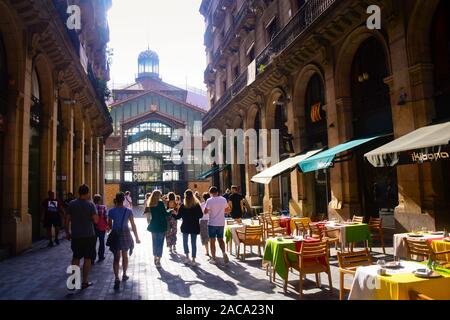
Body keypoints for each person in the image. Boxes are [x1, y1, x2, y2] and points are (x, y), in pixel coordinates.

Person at [65, 184, 98, 290]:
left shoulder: (72, 204)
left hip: (76, 235)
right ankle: (84, 282)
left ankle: (73, 281)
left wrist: (67, 232)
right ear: (87, 193)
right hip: (89, 235)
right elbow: (96, 220)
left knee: (76, 257)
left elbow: (67, 219)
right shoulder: (90, 205)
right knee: (87, 258)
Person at [107, 192, 141, 290]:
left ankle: (116, 277)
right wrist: (137, 237)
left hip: (116, 234)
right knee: (125, 254)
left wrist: (109, 228)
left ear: (116, 200)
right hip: (126, 233)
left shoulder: (111, 211)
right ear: (123, 200)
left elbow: (109, 225)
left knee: (116, 257)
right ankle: (124, 274)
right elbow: (133, 225)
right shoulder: (128, 211)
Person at [174, 189, 204, 266]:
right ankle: (193, 259)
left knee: (185, 242)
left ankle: (187, 257)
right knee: (193, 243)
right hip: (194, 226)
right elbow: (201, 215)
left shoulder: (183, 206)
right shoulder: (196, 205)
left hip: (185, 226)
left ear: (185, 196)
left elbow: (178, 217)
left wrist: (173, 213)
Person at [147, 190, 173, 268]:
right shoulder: (161, 203)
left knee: (154, 242)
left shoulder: (151, 204)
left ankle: (155, 256)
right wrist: (171, 210)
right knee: (160, 242)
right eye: (160, 195)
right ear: (158, 196)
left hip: (154, 225)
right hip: (161, 226)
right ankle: (158, 260)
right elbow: (165, 214)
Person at [204, 186, 230, 265]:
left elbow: (205, 212)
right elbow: (227, 210)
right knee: (220, 239)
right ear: (217, 192)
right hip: (221, 222)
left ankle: (214, 258)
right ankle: (224, 252)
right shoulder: (223, 199)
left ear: (210, 193)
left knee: (212, 241)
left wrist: (211, 211)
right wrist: (221, 211)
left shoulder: (209, 200)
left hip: (212, 223)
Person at [93, 194, 108, 262]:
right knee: (101, 242)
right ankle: (101, 256)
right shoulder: (103, 207)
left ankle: (92, 258)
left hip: (93, 227)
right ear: (99, 200)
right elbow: (105, 217)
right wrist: (107, 226)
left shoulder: (91, 207)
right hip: (101, 227)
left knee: (93, 243)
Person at [199, 192, 211, 257]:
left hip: (203, 221)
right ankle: (212, 250)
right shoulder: (211, 204)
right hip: (211, 220)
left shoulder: (201, 205)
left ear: (203, 198)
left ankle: (207, 251)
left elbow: (199, 214)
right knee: (211, 236)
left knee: (204, 236)